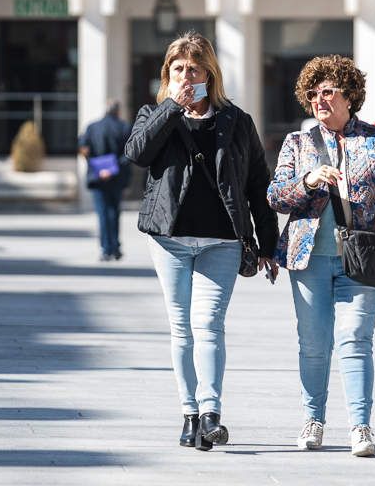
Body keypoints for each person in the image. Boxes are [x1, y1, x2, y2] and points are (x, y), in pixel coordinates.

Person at [125, 32, 279, 451]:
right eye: (178, 69)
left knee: (209, 325)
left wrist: (268, 244)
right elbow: (137, 153)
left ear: (210, 73)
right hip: (170, 241)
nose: (186, 76)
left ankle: (211, 414)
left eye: (194, 69)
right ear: (167, 74)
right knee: (181, 328)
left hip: (221, 242)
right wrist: (173, 107)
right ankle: (188, 413)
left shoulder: (235, 120)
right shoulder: (154, 114)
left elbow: (256, 184)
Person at [267, 55, 375, 457]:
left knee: (355, 340)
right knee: (314, 344)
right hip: (309, 258)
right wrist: (308, 180)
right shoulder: (297, 143)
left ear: (349, 95)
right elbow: (275, 196)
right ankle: (313, 420)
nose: (320, 99)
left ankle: (360, 427)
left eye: (328, 91)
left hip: (362, 258)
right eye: (313, 93)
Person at [79, 99, 133, 261]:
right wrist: (112, 168)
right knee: (114, 212)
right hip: (116, 177)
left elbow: (84, 148)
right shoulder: (124, 127)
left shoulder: (92, 127)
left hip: (97, 177)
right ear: (118, 111)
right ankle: (115, 247)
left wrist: (98, 168)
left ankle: (105, 248)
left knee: (102, 213)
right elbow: (130, 153)